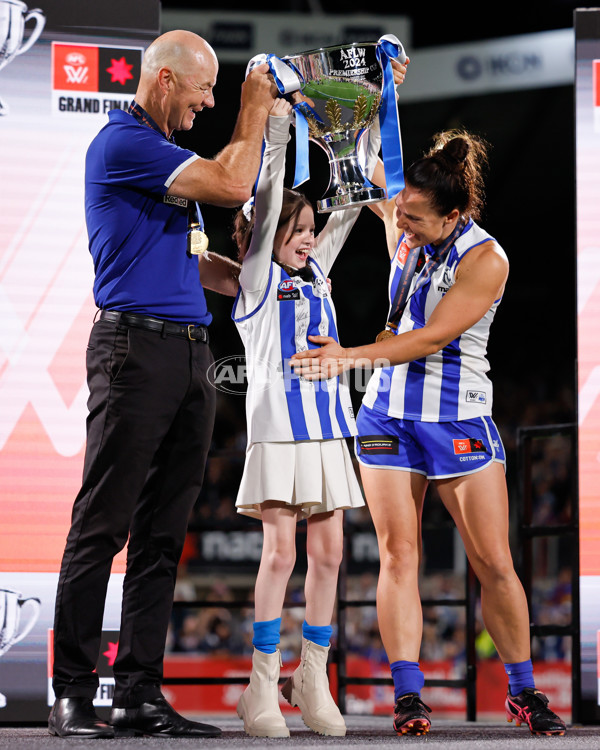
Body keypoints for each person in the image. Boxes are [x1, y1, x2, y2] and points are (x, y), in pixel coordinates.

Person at [290, 129, 567, 737]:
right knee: (397, 556)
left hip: (457, 418)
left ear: (456, 214)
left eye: (414, 217)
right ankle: (409, 696)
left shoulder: (486, 258)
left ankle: (523, 691)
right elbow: (366, 165)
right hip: (387, 414)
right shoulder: (407, 221)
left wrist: (347, 357)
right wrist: (349, 112)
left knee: (493, 561)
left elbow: (432, 337)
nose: (401, 225)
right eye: (400, 212)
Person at [48, 30, 277, 739]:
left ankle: (139, 693)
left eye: (218, 93)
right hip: (132, 350)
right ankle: (73, 693)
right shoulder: (124, 144)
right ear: (165, 80)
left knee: (161, 537)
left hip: (187, 354)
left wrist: (265, 279)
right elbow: (233, 180)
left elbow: (198, 261)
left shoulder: (166, 162)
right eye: (202, 91)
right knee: (101, 525)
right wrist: (254, 103)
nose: (207, 105)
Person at [229, 59, 407, 738]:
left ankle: (312, 675)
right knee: (280, 554)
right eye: (293, 231)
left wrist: (379, 93)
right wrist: (277, 122)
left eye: (309, 230)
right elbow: (271, 194)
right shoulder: (254, 284)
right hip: (277, 434)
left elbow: (353, 201)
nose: (305, 237)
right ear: (264, 238)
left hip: (330, 433)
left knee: (330, 557)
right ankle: (260, 688)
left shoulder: (317, 274)